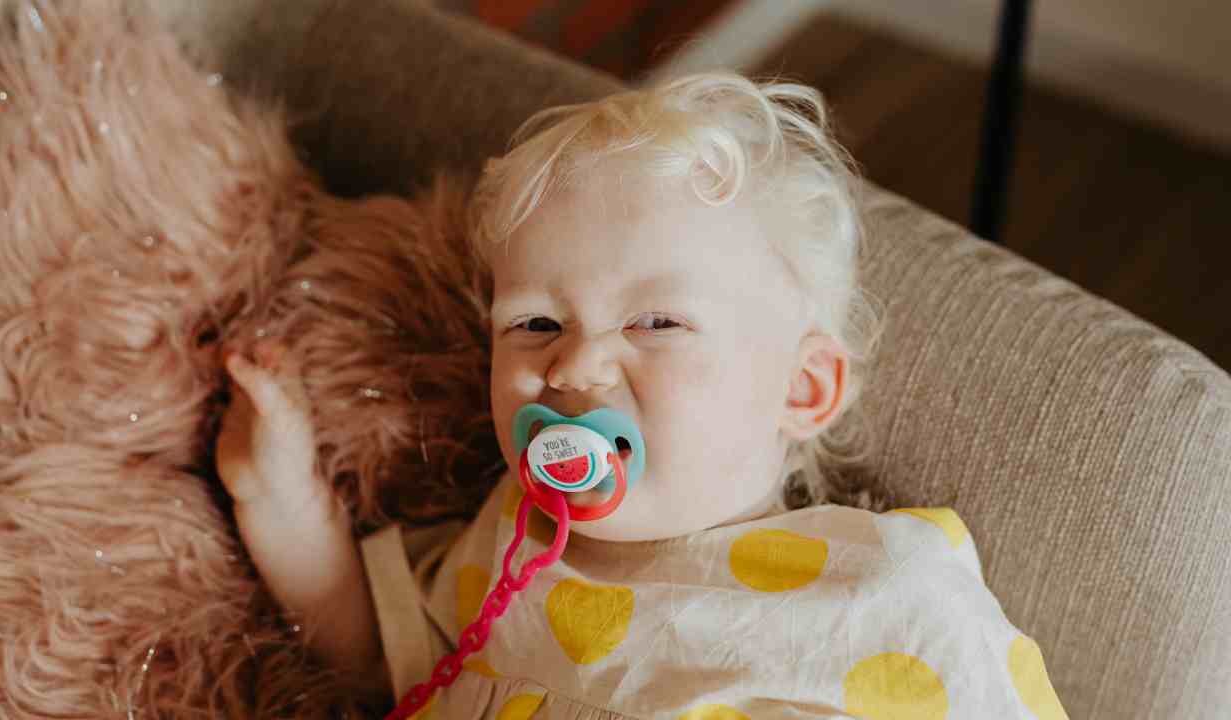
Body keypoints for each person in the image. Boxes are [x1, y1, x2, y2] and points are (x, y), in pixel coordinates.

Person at [216, 72, 1067, 719]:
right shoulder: (512, 543)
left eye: (656, 322)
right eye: (537, 323)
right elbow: (377, 662)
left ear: (802, 389)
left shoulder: (886, 590)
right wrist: (280, 497)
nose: (577, 366)